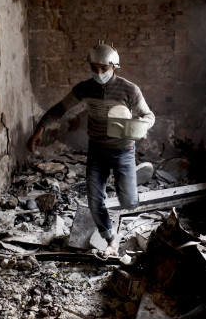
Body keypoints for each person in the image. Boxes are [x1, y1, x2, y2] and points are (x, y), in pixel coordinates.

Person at [27, 42, 155, 257]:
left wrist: (139, 126)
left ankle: (130, 179)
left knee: (129, 202)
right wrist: (40, 129)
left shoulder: (129, 89)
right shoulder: (84, 89)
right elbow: (60, 109)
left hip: (123, 149)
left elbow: (148, 115)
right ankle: (111, 241)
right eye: (94, 68)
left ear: (114, 66)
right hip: (97, 151)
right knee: (95, 200)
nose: (98, 73)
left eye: (103, 69)